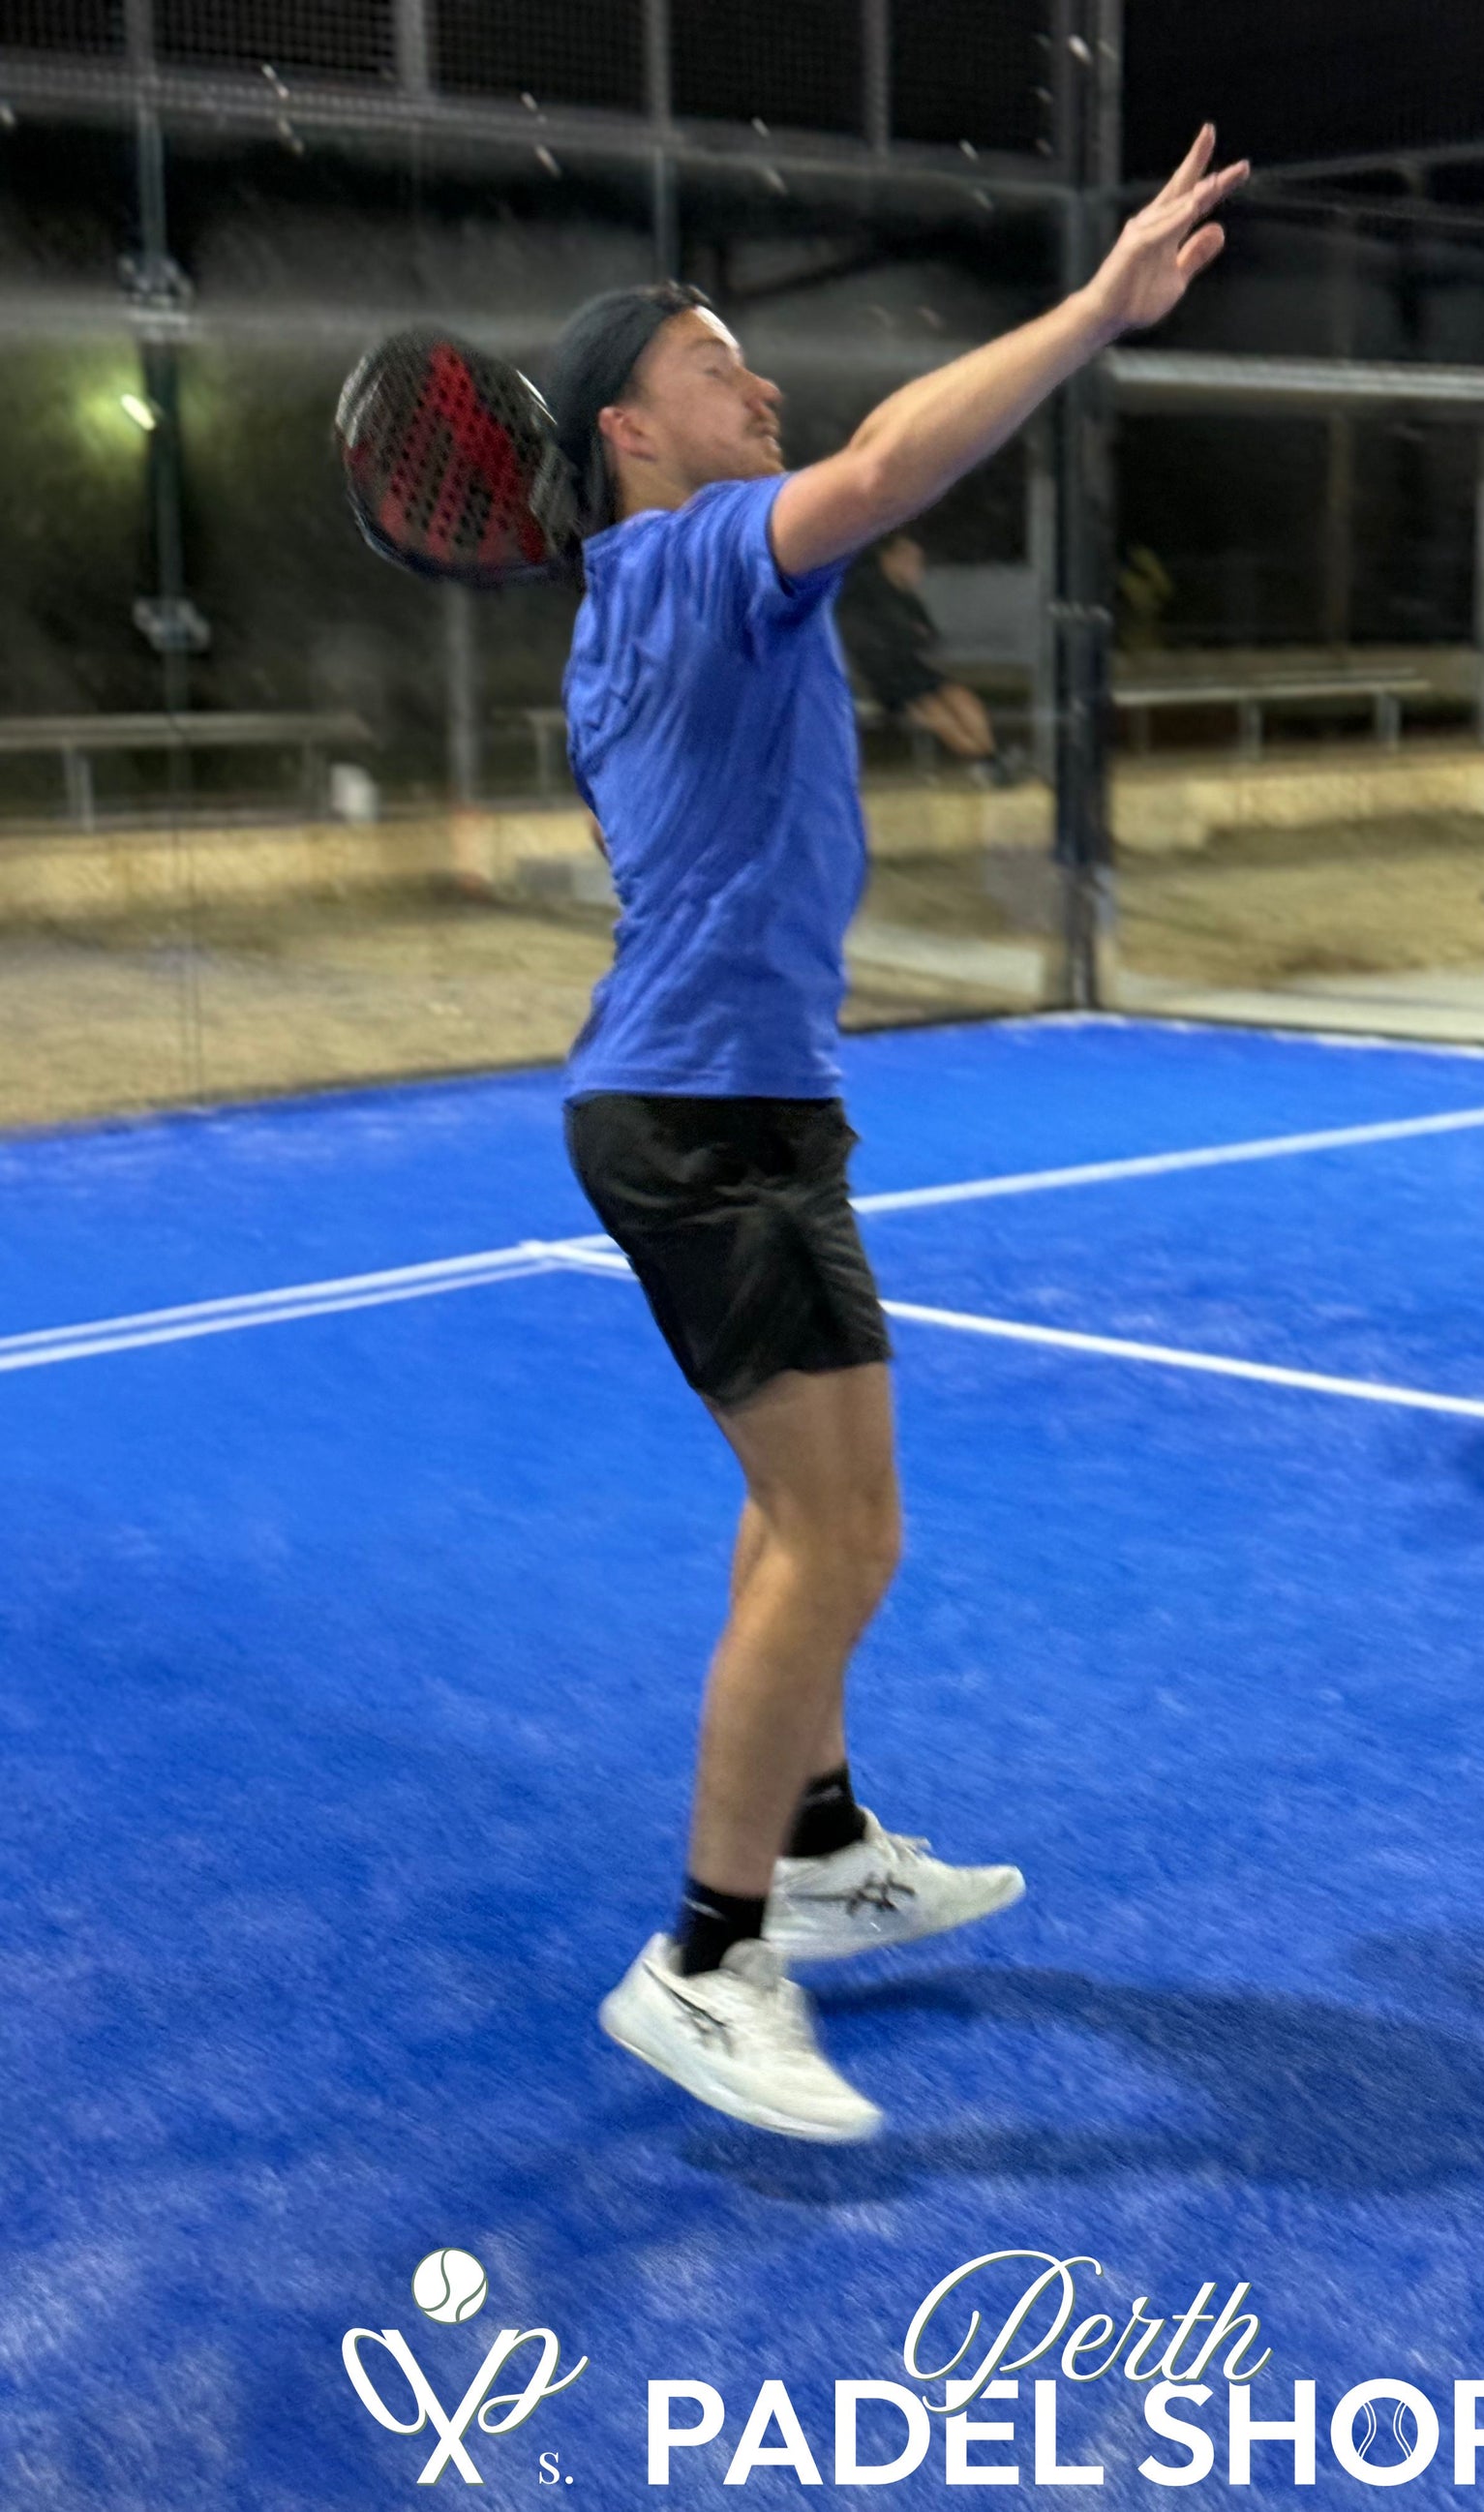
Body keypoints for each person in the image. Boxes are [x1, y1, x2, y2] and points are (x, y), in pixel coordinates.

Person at [543, 126, 1248, 2140]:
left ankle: (826, 1845)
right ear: (630, 432)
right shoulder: (684, 555)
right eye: (715, 367)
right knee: (842, 1534)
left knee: (813, 1522)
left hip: (749, 1097)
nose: (756, 383)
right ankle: (703, 1961)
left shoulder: (669, 578)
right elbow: (882, 469)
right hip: (700, 1115)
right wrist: (1096, 309)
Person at [837, 531, 1013, 781]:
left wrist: (912, 634)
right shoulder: (862, 593)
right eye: (909, 559)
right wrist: (908, 636)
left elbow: (928, 635)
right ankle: (986, 759)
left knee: (959, 696)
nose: (916, 566)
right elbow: (874, 641)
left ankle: (990, 755)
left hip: (911, 668)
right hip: (880, 677)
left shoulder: (905, 598)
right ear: (889, 559)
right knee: (933, 710)